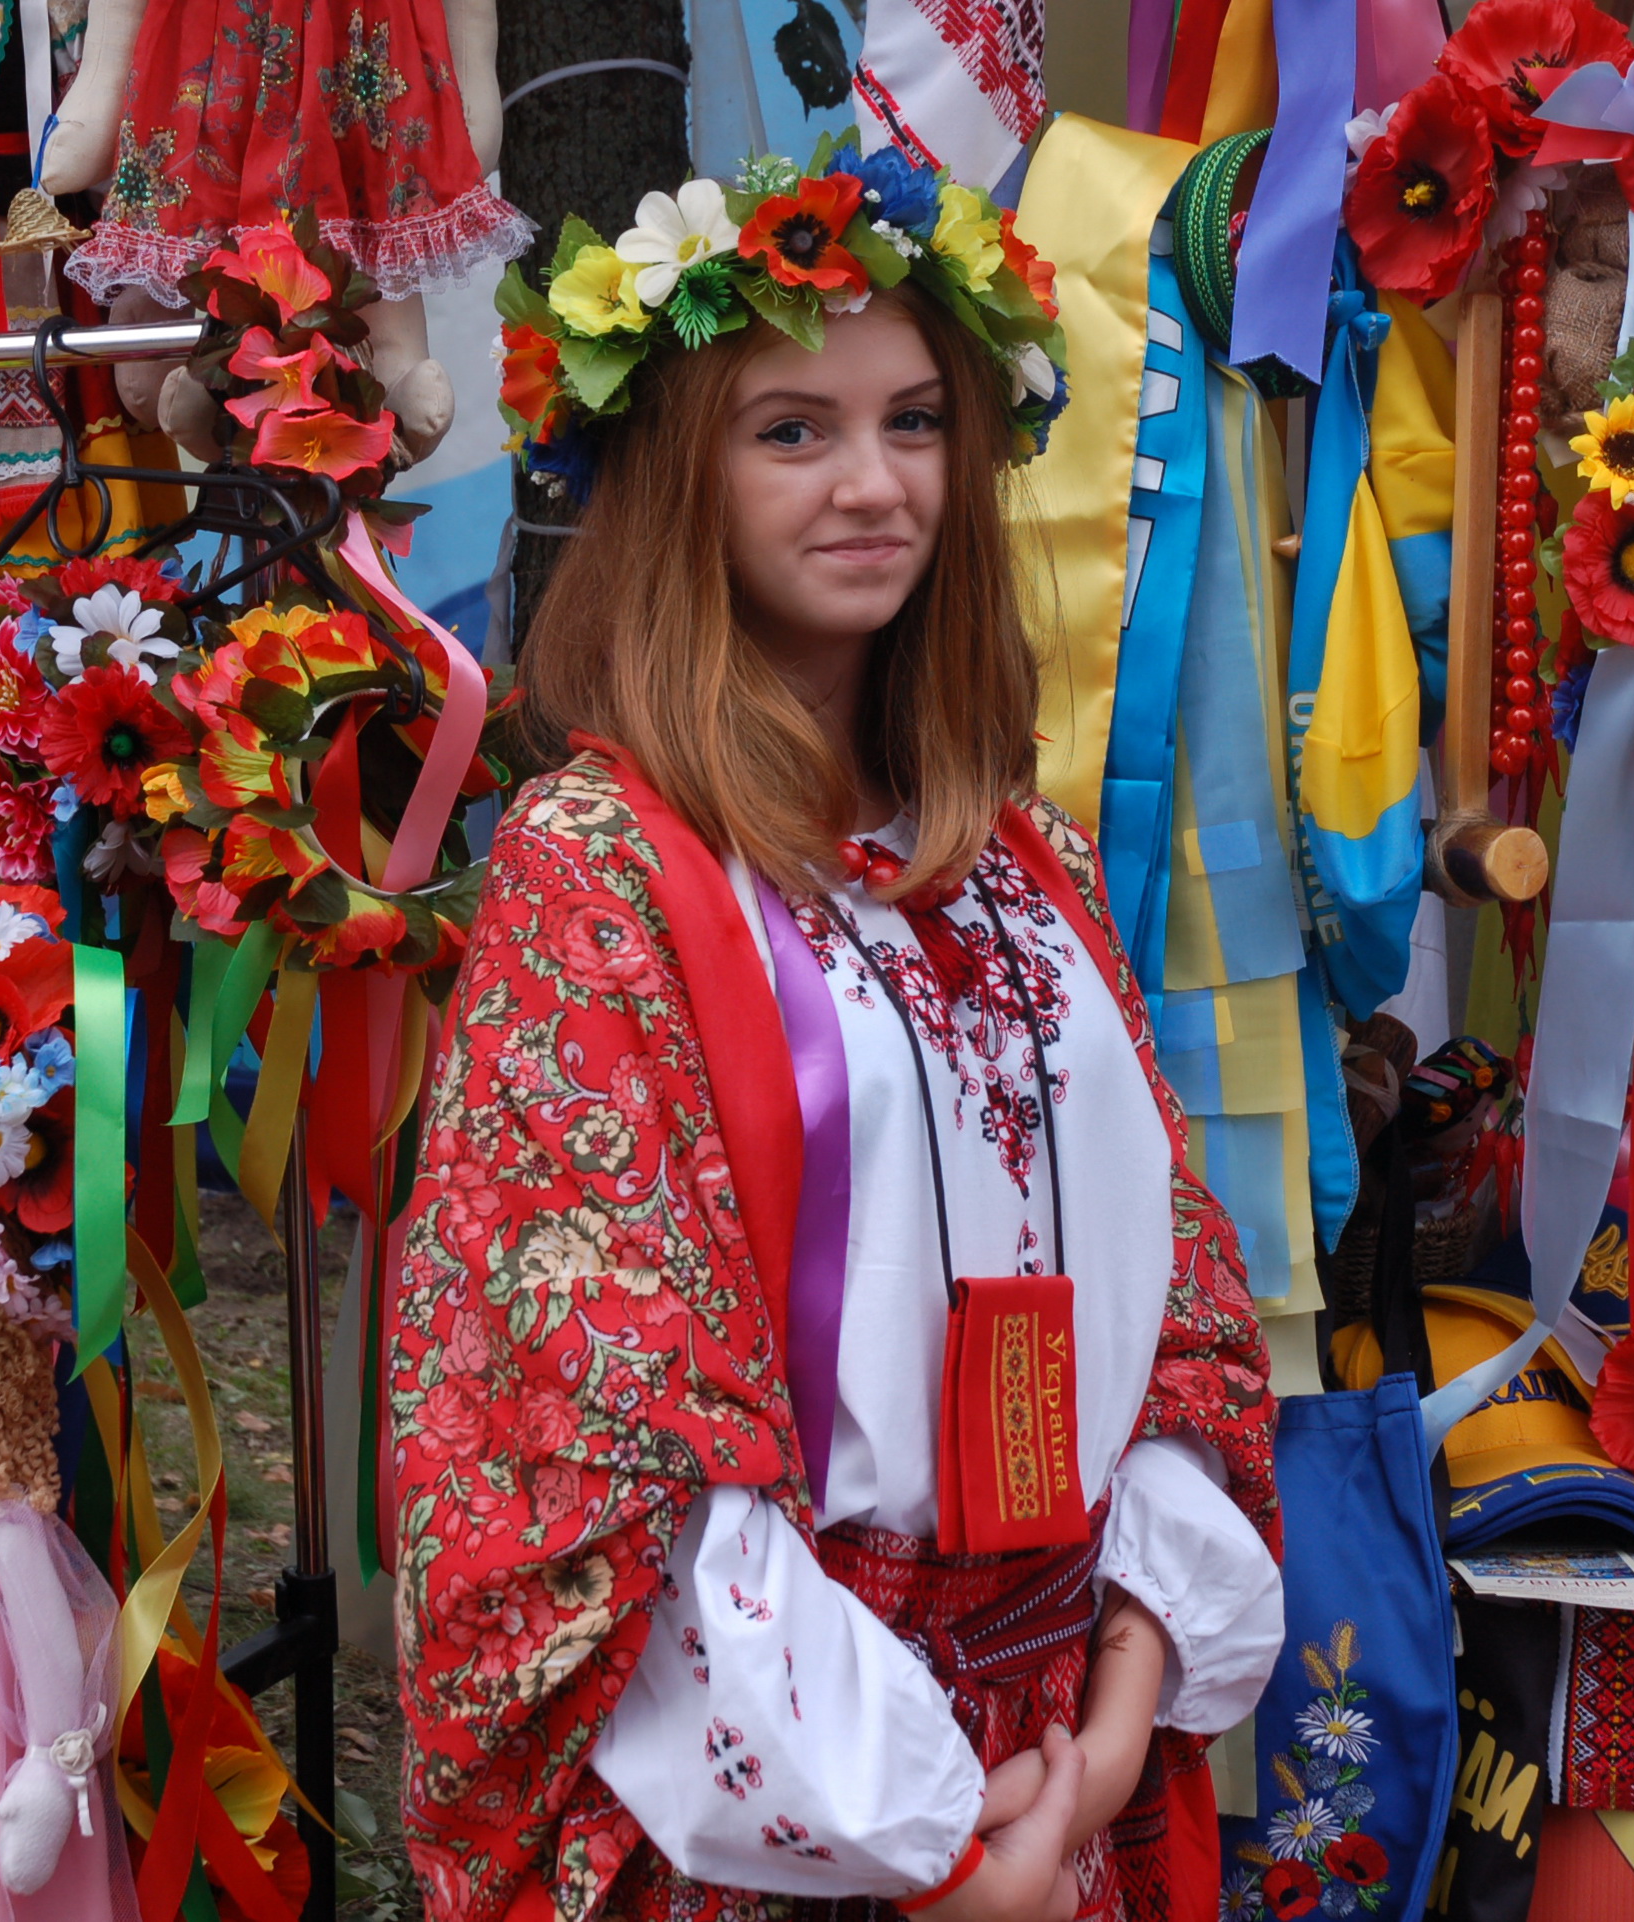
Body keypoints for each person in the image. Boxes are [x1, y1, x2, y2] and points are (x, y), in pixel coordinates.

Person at [384, 148, 1285, 1922]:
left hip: (1055, 1756)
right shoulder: (600, 869)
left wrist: (1097, 1757)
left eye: (914, 422)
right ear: (675, 480)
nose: (873, 485)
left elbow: (1178, 1304)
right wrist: (930, 1845)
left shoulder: (1025, 854)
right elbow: (598, 1431)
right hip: (794, 1801)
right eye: (791, 430)